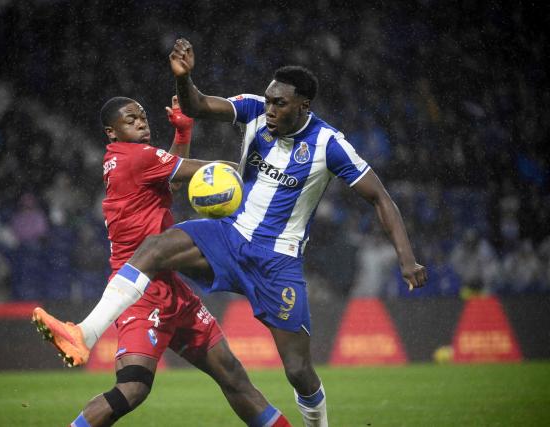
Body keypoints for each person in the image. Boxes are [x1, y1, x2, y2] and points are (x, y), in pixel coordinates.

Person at [38, 39, 428, 427]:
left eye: (279, 103)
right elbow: (198, 104)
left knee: (297, 371)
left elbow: (380, 198)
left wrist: (406, 258)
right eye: (269, 99)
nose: (269, 108)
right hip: (230, 235)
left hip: (277, 261)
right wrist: (184, 79)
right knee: (155, 248)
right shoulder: (255, 109)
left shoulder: (330, 144)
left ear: (303, 107)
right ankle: (85, 334)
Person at [33, 96, 292, 427]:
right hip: (139, 294)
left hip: (171, 289)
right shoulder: (136, 157)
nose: (142, 122)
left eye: (143, 116)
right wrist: (266, 170)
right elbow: (208, 172)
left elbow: (173, 178)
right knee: (132, 388)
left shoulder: (125, 158)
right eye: (131, 119)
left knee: (233, 377)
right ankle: (83, 336)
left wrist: (182, 133)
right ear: (112, 132)